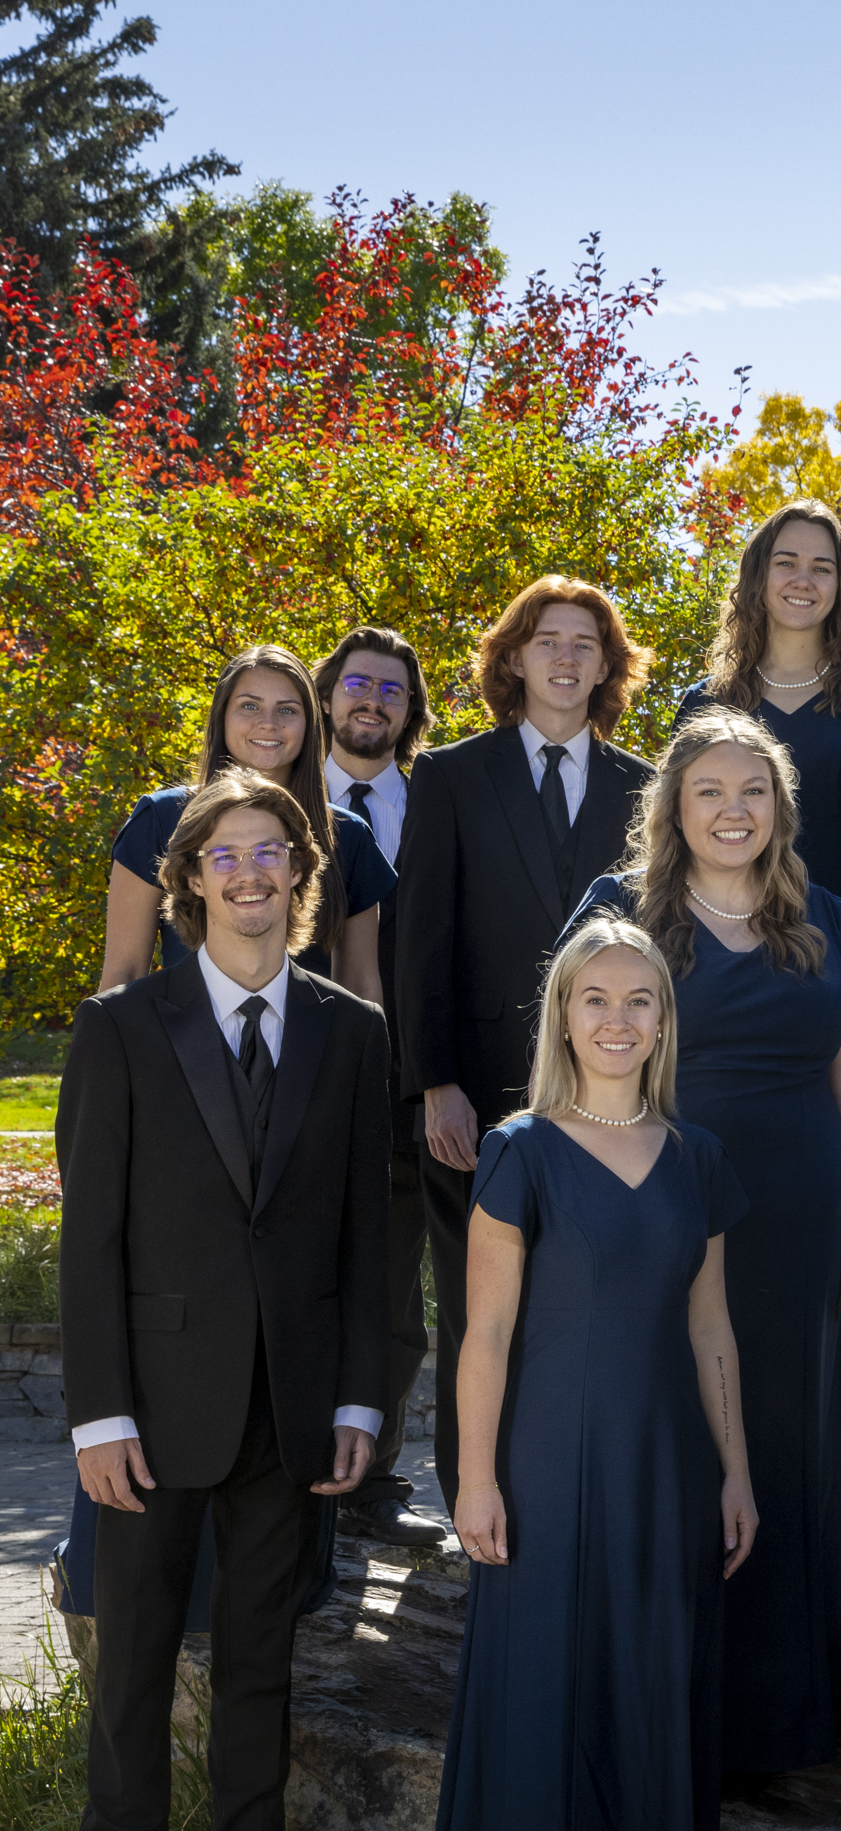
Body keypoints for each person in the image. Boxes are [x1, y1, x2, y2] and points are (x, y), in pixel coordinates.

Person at [57, 768, 390, 1828]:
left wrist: (358, 1400)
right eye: (225, 855)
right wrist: (97, 1414)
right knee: (132, 1683)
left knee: (262, 1672)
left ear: (302, 871)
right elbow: (90, 1239)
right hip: (151, 1412)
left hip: (290, 1416)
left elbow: (367, 1238)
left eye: (269, 851)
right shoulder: (120, 1028)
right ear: (190, 879)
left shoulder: (352, 1033)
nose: (250, 873)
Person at [563, 706, 841, 1778]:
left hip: (799, 1224)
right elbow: (571, 1070)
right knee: (673, 1444)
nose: (732, 809)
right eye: (708, 790)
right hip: (657, 1214)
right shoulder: (621, 911)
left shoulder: (824, 916)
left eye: (753, 790)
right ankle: (659, 1710)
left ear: (780, 809)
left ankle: (777, 1723)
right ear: (672, 807)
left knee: (788, 1452)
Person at [437, 917, 758, 1829]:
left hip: (667, 1468)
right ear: (564, 1016)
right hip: (546, 1468)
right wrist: (473, 1480)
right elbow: (486, 1333)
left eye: (639, 1000)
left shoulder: (700, 1158)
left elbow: (713, 1330)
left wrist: (735, 1472)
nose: (618, 1019)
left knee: (656, 1678)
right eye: (596, 999)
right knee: (544, 1686)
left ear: (662, 1021)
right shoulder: (519, 1149)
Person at [396, 576, 653, 1509]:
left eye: (587, 642)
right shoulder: (453, 776)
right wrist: (435, 1084)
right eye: (547, 639)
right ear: (513, 658)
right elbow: (418, 939)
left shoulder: (644, 787)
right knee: (479, 1303)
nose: (566, 656)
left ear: (608, 667)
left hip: (606, 1091)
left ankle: (572, 1482)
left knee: (586, 1290)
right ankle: (476, 1491)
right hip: (478, 1090)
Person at [681, 500, 841, 1441]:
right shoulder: (707, 702)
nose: (801, 578)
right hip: (733, 957)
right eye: (785, 561)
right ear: (757, 576)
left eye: (821, 565)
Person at [312, 626, 446, 1547]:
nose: (372, 701)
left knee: (393, 1293)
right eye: (356, 684)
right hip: (295, 1086)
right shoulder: (273, 799)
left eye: (391, 690)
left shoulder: (441, 801)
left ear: (411, 709)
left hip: (409, 1086)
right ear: (326, 698)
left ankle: (372, 1479)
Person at [99, 644, 393, 1001]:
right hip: (181, 1049)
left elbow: (360, 987)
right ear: (222, 716)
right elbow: (123, 974)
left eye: (287, 709)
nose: (268, 722)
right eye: (249, 706)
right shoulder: (161, 819)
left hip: (308, 1053)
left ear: (310, 725)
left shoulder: (347, 835)